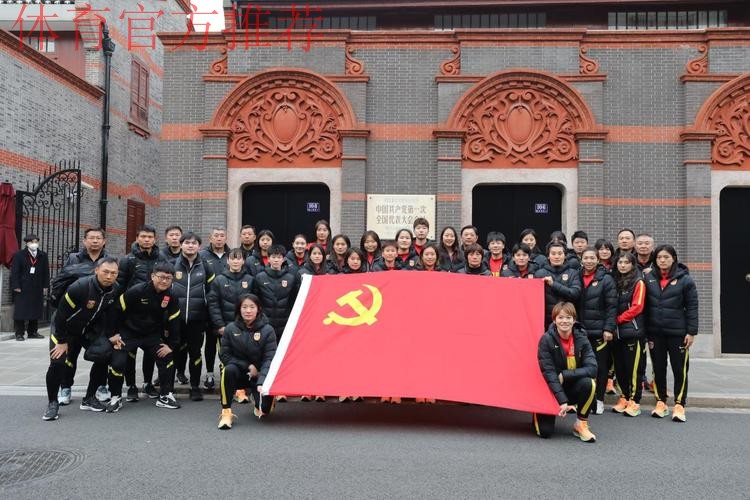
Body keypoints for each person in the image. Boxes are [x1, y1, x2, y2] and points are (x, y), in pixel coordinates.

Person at [42, 257, 120, 421]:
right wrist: (62, 341)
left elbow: (111, 313)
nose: (109, 276)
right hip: (64, 328)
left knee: (104, 354)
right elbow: (61, 315)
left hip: (87, 329)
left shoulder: (115, 289)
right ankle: (52, 403)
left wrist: (111, 334)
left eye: (113, 273)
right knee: (58, 362)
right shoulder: (80, 287)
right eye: (105, 272)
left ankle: (89, 398)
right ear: (96, 270)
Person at [107, 262, 182, 412]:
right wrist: (113, 334)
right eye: (161, 277)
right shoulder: (137, 291)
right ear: (153, 276)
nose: (164, 281)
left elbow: (174, 320)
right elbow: (116, 310)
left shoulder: (171, 296)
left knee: (167, 357)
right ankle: (115, 397)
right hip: (129, 333)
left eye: (168, 278)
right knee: (117, 362)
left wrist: (171, 345)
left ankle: (165, 395)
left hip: (151, 335)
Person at [55, 227, 109, 406]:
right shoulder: (73, 258)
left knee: (103, 353)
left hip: (97, 318)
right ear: (84, 241)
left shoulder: (109, 260)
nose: (95, 241)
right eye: (91, 238)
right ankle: (65, 387)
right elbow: (62, 282)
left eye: (98, 238)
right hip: (75, 315)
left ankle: (100, 386)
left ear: (104, 241)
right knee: (69, 356)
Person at [644, 244, 698, 422]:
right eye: (659, 257)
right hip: (655, 332)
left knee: (679, 369)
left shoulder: (685, 280)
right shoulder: (648, 278)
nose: (662, 260)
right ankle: (661, 402)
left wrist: (691, 332)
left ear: (673, 258)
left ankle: (679, 404)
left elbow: (692, 307)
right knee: (658, 368)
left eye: (666, 257)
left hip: (678, 333)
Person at [535, 302, 598, 442]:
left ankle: (580, 424)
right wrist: (562, 401)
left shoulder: (582, 338)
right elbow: (549, 374)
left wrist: (565, 375)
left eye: (568, 317)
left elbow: (593, 368)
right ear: (554, 320)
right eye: (560, 317)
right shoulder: (546, 340)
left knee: (589, 383)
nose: (564, 321)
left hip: (570, 386)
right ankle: (537, 411)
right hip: (550, 391)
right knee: (545, 432)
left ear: (574, 320)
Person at [117, 224, 166, 403]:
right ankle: (131, 385)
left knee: (150, 352)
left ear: (155, 239)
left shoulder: (161, 258)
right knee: (130, 352)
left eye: (150, 237)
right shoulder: (128, 259)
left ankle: (147, 383)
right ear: (137, 238)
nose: (146, 240)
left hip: (154, 312)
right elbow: (120, 285)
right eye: (143, 236)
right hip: (132, 313)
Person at [217, 294, 277, 429]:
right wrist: (248, 366)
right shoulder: (230, 329)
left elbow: (269, 359)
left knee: (265, 410)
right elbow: (225, 355)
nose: (248, 311)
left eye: (252, 307)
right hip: (240, 372)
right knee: (227, 370)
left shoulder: (268, 330)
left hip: (260, 374)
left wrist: (261, 380)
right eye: (244, 307)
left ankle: (259, 399)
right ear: (239, 309)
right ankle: (226, 412)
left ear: (258, 309)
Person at [207, 249, 256, 404]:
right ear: (227, 261)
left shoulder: (250, 280)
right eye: (232, 259)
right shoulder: (219, 280)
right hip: (225, 329)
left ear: (243, 261)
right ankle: (227, 394)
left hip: (246, 328)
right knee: (226, 362)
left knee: (245, 359)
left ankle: (242, 391)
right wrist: (220, 325)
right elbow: (213, 304)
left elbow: (255, 304)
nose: (235, 261)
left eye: (238, 258)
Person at [172, 231, 215, 401]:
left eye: (194, 243)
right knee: (174, 351)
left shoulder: (206, 266)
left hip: (197, 320)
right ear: (181, 244)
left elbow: (212, 294)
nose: (190, 246)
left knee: (195, 353)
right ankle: (168, 387)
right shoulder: (172, 265)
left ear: (199, 246)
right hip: (176, 319)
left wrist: (208, 317)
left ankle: (195, 387)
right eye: (187, 243)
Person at [577, 247, 617, 415]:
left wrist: (608, 328)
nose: (589, 261)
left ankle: (599, 400)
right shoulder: (576, 276)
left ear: (598, 260)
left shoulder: (606, 279)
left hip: (599, 332)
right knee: (581, 367)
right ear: (581, 260)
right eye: (586, 258)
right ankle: (582, 400)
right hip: (580, 331)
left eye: (592, 258)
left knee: (600, 368)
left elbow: (612, 306)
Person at [611, 252, 647, 417]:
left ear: (632, 264)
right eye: (620, 262)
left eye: (626, 262)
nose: (623, 265)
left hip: (633, 331)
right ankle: (624, 397)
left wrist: (618, 319)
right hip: (616, 333)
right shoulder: (615, 281)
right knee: (620, 368)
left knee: (634, 369)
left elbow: (637, 307)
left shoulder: (638, 282)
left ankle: (635, 401)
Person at [10, 234, 49, 341]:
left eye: (36, 242)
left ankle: (32, 332)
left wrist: (45, 285)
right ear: (27, 243)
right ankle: (19, 333)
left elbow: (46, 272)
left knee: (35, 309)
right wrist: (16, 285)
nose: (34, 244)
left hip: (37, 286)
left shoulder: (42, 255)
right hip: (23, 287)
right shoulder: (19, 255)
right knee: (21, 310)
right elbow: (15, 272)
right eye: (32, 242)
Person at [534, 242, 582, 327]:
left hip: (566, 321)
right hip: (545, 321)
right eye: (553, 254)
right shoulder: (539, 274)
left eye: (560, 254)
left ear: (565, 255)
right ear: (548, 256)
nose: (556, 257)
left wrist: (553, 284)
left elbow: (575, 294)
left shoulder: (573, 273)